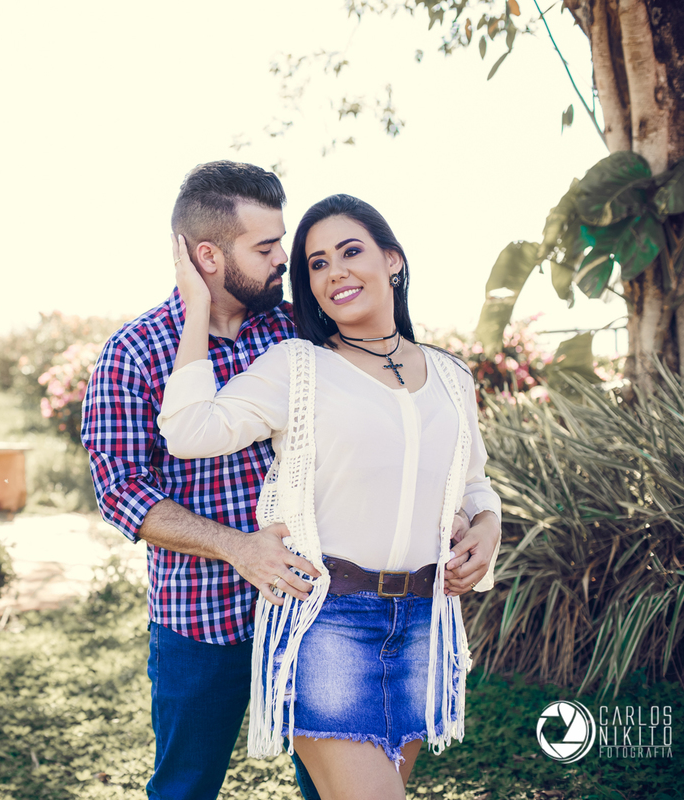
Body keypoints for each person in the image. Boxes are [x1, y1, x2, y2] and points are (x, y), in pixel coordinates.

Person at [81, 163, 499, 800]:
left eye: (286, 247)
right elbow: (121, 491)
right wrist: (239, 547)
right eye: (268, 247)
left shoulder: (297, 334)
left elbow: (398, 429)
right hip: (204, 615)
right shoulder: (134, 352)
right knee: (186, 786)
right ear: (208, 257)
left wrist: (473, 518)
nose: (288, 261)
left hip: (317, 607)